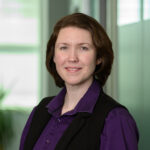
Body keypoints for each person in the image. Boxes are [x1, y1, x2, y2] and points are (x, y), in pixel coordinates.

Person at [19, 13, 139, 150]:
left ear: (99, 57)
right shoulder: (41, 111)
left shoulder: (115, 119)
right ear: (54, 56)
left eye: (83, 48)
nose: (72, 58)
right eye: (64, 47)